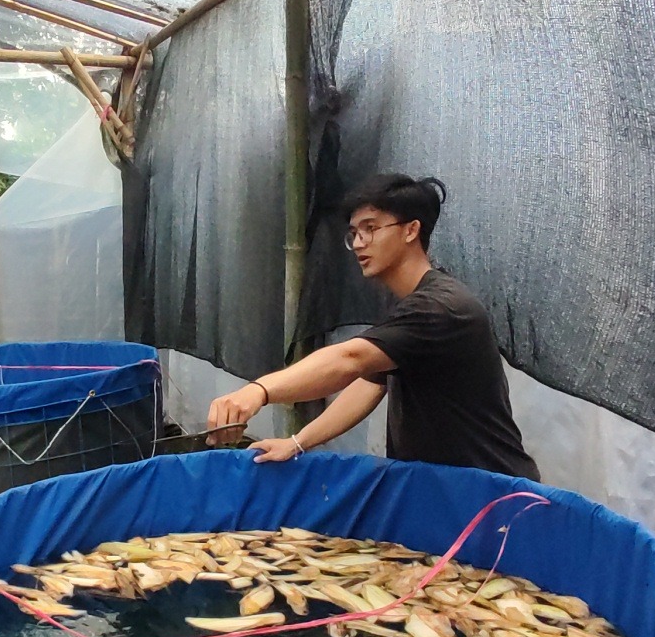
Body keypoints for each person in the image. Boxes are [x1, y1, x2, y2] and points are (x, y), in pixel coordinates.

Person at [207, 174, 539, 481]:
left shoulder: (438, 307)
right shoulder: (410, 303)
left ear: (410, 230)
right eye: (354, 234)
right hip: (444, 492)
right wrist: (296, 442)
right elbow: (369, 384)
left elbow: (350, 359)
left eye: (371, 228)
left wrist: (258, 391)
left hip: (493, 495)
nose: (360, 243)